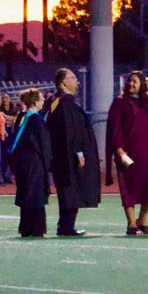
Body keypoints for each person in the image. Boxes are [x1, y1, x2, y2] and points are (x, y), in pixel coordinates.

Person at [104, 71, 148, 236]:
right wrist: (118, 148)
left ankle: (142, 219)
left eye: (135, 82)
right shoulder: (120, 102)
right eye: (129, 81)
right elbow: (115, 127)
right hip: (129, 151)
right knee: (129, 186)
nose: (131, 84)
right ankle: (131, 222)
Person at [45, 68, 98, 237]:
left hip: (59, 155)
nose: (77, 81)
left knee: (66, 189)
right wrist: (79, 152)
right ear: (64, 82)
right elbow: (72, 131)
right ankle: (67, 226)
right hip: (69, 156)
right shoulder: (66, 103)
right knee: (71, 189)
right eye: (73, 78)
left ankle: (65, 225)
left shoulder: (54, 102)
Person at [8, 89, 52, 238]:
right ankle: (37, 228)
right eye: (40, 99)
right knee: (36, 195)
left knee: (26, 194)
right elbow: (44, 145)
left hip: (23, 162)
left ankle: (26, 227)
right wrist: (47, 164)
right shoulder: (38, 121)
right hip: (35, 162)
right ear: (34, 102)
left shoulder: (22, 118)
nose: (43, 101)